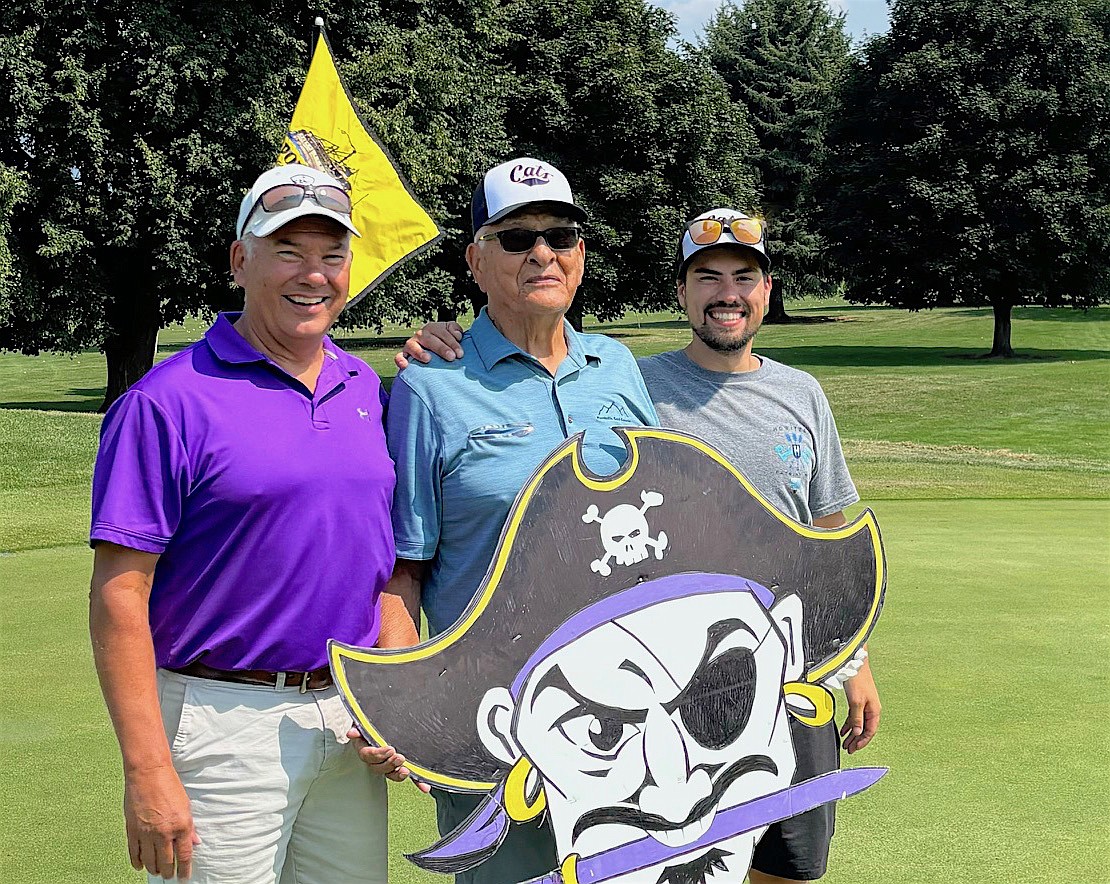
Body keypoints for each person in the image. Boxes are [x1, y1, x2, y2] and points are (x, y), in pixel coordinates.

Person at [399, 207, 882, 884]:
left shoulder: (786, 392)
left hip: (770, 664)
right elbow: (405, 563)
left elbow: (826, 528)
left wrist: (851, 658)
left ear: (769, 290)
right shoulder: (632, 377)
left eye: (745, 276)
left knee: (778, 864)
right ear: (680, 293)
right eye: (707, 276)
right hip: (602, 688)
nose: (727, 292)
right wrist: (438, 338)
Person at [88, 163, 413, 884]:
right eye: (288, 251)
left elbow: (381, 563)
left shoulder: (363, 387)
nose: (314, 275)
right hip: (219, 723)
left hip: (345, 722)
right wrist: (147, 770)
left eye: (332, 255)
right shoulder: (165, 403)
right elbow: (118, 593)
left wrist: (399, 695)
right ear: (241, 260)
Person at [380, 156, 659, 883]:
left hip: (641, 710)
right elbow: (402, 569)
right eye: (515, 238)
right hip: (496, 718)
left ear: (581, 256)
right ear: (475, 260)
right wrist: (409, 703)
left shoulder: (618, 368)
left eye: (561, 235)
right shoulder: (430, 387)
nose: (543, 252)